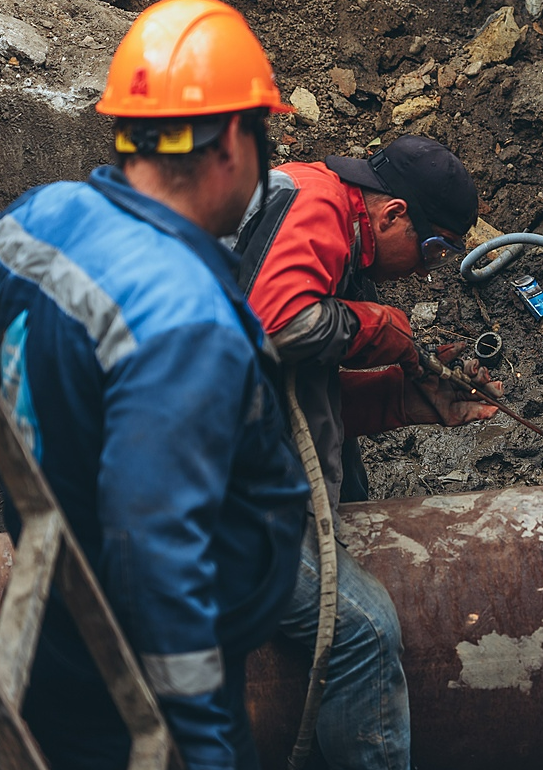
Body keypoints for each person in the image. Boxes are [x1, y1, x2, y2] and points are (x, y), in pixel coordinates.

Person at [0, 2, 309, 768]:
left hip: (46, 625)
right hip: (123, 695)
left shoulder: (42, 214)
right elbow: (155, 553)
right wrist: (200, 743)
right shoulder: (184, 319)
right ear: (238, 137)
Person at [229, 135, 502, 769]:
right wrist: (384, 328)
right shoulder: (315, 203)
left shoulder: (323, 227)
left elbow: (296, 405)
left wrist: (405, 399)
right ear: (393, 214)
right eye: (430, 251)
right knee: (365, 628)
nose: (426, 271)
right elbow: (279, 323)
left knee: (348, 488)